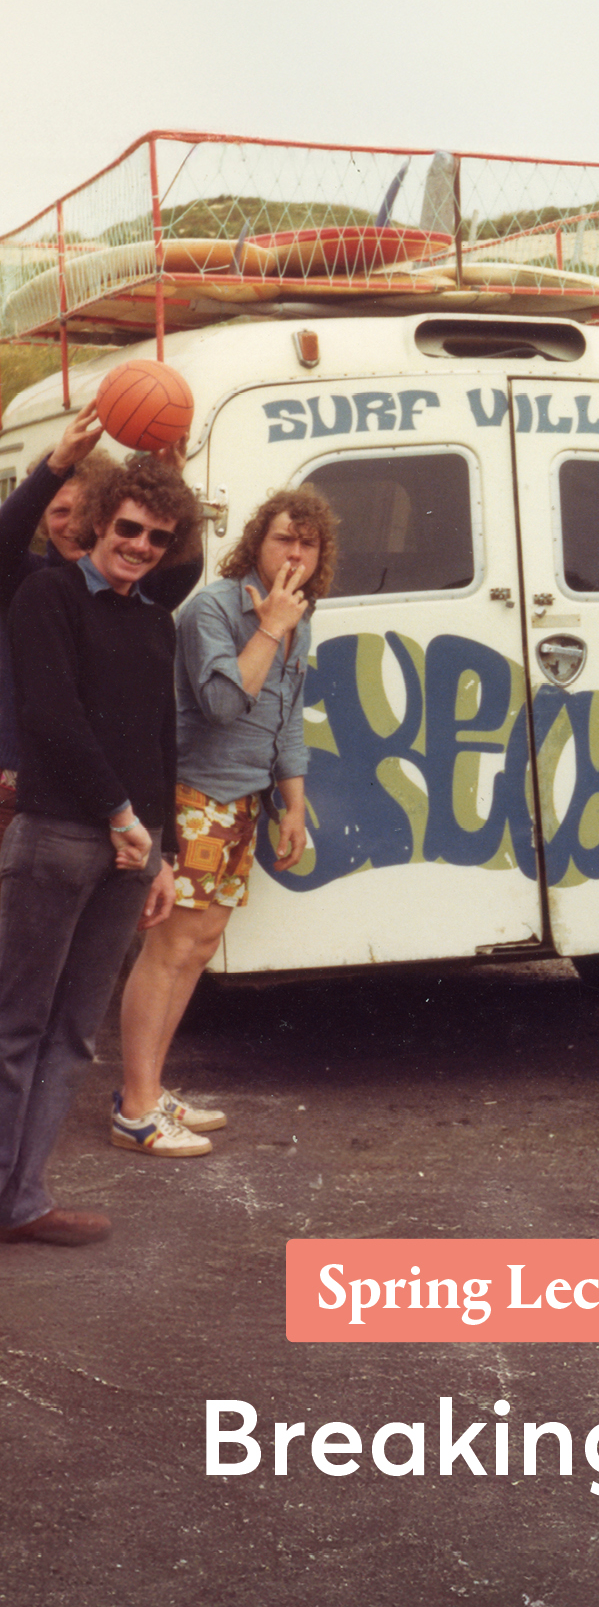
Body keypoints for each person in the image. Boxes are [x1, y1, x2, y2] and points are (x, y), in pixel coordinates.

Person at [0, 457, 201, 1244]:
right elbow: (54, 718)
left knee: (75, 1032)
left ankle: (21, 1200)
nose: (141, 545)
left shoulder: (153, 618)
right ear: (97, 524)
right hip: (57, 837)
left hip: (132, 849)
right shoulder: (45, 594)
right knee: (17, 1025)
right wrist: (122, 818)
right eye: (127, 528)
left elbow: (160, 740)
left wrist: (166, 855)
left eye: (157, 536)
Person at [116, 487, 338, 1149]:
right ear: (255, 544)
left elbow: (287, 713)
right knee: (169, 949)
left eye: (308, 543)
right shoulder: (214, 609)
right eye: (282, 539)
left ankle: (151, 1091)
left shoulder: (300, 615)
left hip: (245, 802)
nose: (294, 553)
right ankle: (134, 1109)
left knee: (201, 949)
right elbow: (219, 704)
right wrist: (269, 626)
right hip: (195, 796)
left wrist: (292, 803)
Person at [0, 403, 202, 845]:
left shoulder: (134, 596)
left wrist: (168, 486)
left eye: (82, 510)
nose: (71, 525)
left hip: (108, 796)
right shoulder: (25, 578)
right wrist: (56, 466)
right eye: (57, 511)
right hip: (21, 785)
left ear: (101, 515)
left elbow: (184, 563)